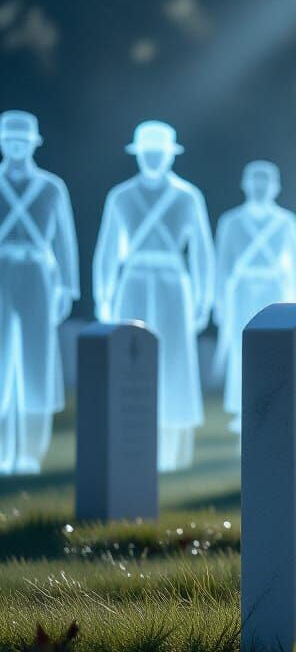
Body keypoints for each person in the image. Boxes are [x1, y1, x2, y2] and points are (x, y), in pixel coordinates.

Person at [94, 121, 215, 471]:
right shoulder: (120, 196)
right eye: (147, 152)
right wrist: (103, 294)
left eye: (158, 152)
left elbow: (202, 252)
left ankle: (173, 454)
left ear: (169, 155)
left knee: (175, 361)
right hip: (132, 281)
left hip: (174, 284)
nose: (152, 158)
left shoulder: (188, 196)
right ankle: (129, 444)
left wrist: (203, 299)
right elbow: (107, 249)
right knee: (128, 359)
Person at [0, 110, 79, 473]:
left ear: (32, 144)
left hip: (37, 270)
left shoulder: (50, 187)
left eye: (21, 141)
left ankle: (31, 453)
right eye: (9, 140)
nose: (16, 147)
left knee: (37, 360)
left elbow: (64, 240)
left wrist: (67, 285)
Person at [213, 161, 296, 433]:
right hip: (241, 289)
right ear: (244, 184)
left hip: (274, 289)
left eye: (265, 181)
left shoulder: (287, 222)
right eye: (254, 180)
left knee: (274, 346)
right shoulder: (231, 221)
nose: (259, 186)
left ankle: (276, 402)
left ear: (276, 187)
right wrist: (219, 301)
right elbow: (223, 263)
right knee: (240, 345)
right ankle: (241, 406)